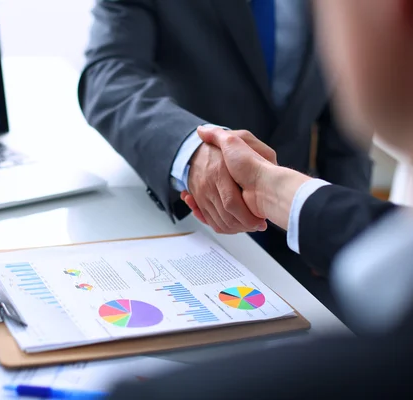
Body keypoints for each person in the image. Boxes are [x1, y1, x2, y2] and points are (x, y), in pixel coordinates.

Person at [107, 0, 413, 397]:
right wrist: (197, 153)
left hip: (310, 262)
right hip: (198, 228)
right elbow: (109, 71)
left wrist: (337, 256)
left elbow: (343, 133)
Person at [78, 0, 372, 240]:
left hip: (303, 230)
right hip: (192, 226)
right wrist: (190, 150)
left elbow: (347, 119)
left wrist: (344, 225)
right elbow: (108, 77)